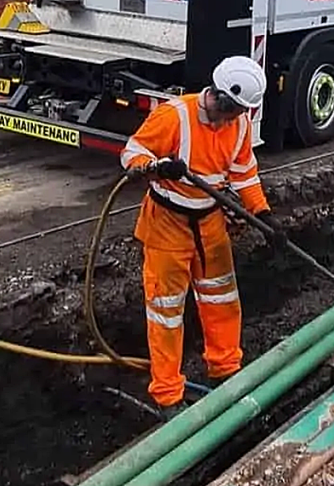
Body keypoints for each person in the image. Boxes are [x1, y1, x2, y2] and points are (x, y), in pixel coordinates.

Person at [120, 56, 285, 420]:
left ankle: (225, 369)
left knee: (222, 300)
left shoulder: (239, 124)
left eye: (241, 112)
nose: (235, 118)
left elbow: (244, 174)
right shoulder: (173, 116)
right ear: (220, 97)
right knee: (166, 313)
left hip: (209, 224)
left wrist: (263, 214)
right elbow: (132, 152)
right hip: (167, 224)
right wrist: (157, 167)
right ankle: (167, 395)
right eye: (233, 111)